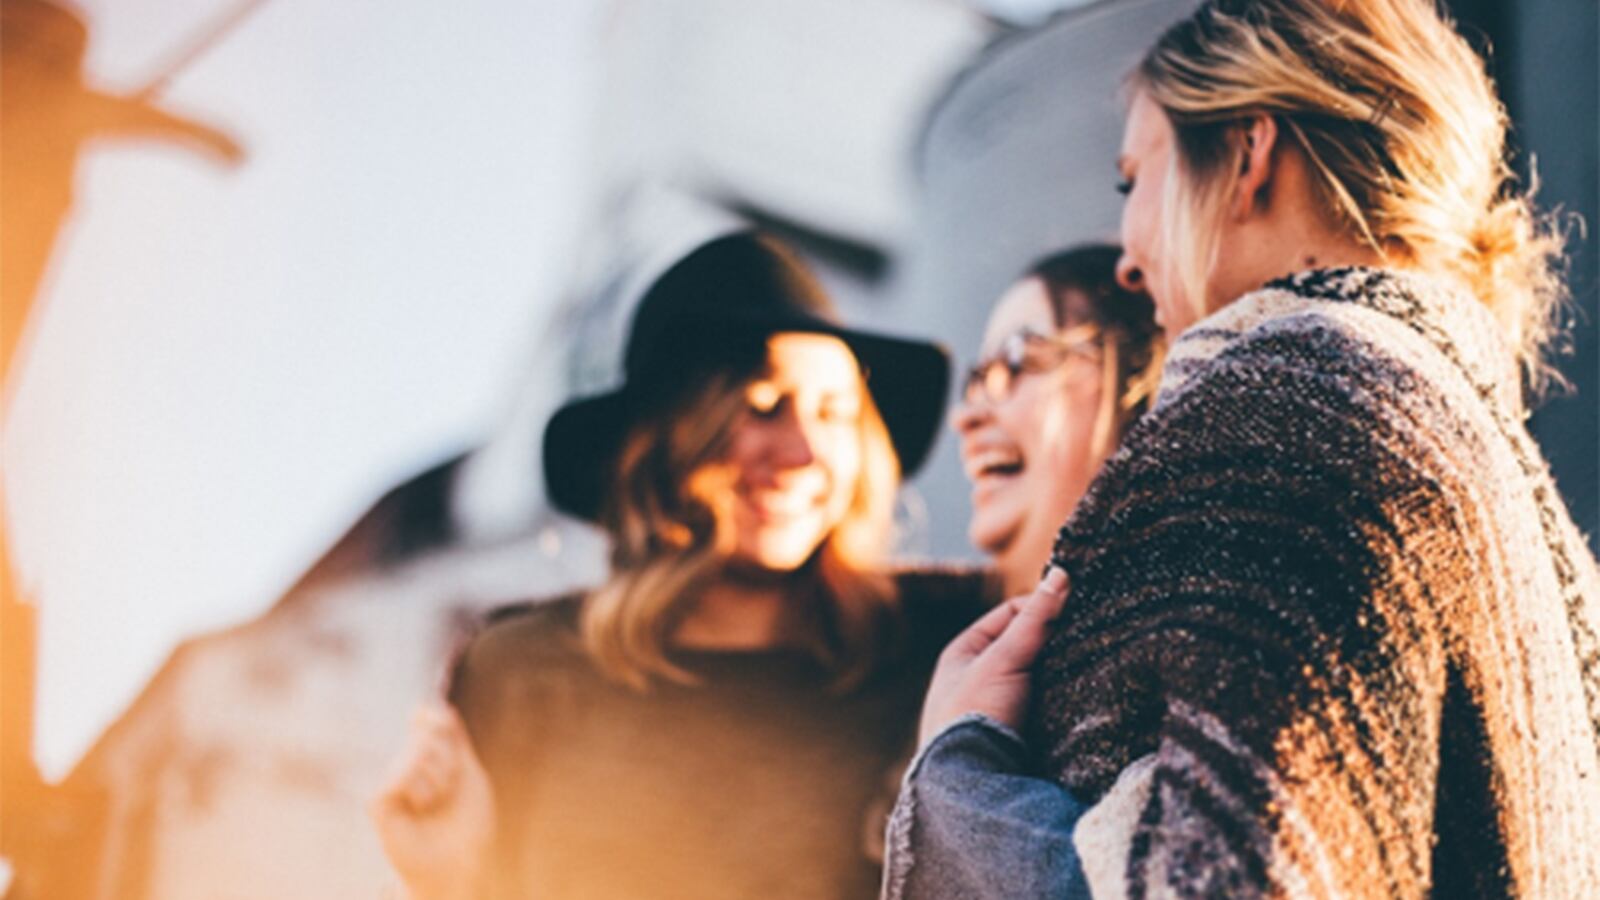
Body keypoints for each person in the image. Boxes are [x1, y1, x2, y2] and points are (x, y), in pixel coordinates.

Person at [891, 1, 1600, 897]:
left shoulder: (1287, 408)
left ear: (1246, 153)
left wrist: (958, 770)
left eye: (1132, 180)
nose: (1127, 259)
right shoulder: (1522, 504)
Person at [369, 231, 993, 900]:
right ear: (667, 439)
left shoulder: (942, 645)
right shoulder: (518, 673)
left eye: (833, 412)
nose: (804, 452)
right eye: (763, 407)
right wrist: (441, 884)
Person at [953, 244, 1161, 598]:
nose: (965, 417)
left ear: (1136, 382)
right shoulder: (894, 637)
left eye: (1015, 360)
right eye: (978, 378)